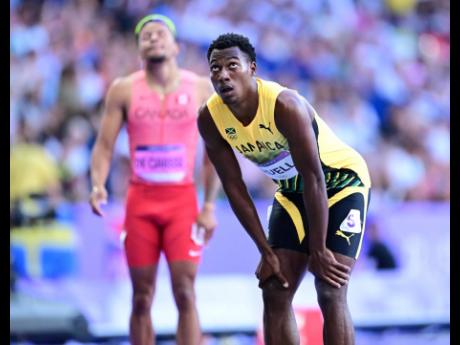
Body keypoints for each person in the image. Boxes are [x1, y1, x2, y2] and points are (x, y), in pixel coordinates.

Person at [198, 33, 371, 345]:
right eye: (215, 68)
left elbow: (315, 177)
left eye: (232, 66)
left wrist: (318, 249)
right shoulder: (210, 119)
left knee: (330, 288)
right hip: (292, 190)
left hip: (341, 183)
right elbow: (235, 188)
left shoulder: (285, 105)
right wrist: (265, 251)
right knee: (275, 286)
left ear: (252, 68)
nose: (222, 75)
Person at [89, 14, 219, 345]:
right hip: (141, 202)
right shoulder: (123, 90)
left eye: (160, 34)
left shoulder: (201, 88)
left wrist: (209, 206)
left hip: (182, 202)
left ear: (175, 46)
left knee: (185, 292)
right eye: (145, 36)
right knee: (141, 296)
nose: (152, 39)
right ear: (138, 50)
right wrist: (98, 184)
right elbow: (103, 146)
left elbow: (215, 153)